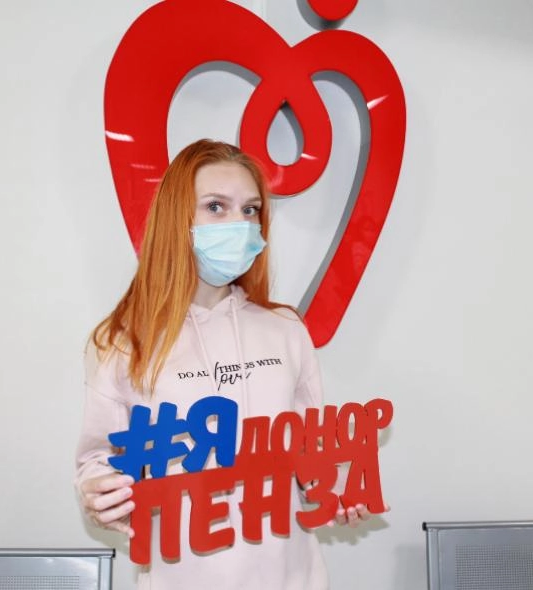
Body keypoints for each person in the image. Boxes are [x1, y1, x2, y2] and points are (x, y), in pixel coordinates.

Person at [75, 139, 368, 590]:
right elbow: (99, 460)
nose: (240, 223)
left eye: (251, 210)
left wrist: (339, 485)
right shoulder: (125, 342)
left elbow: (311, 450)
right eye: (216, 206)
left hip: (292, 577)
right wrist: (101, 493)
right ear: (178, 217)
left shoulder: (285, 329)